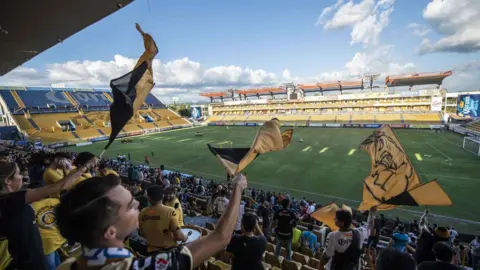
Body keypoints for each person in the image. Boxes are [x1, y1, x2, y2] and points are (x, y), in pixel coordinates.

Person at [56, 173, 247, 269]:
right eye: (130, 205)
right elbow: (221, 237)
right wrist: (237, 188)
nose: (138, 203)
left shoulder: (68, 264)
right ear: (110, 232)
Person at [0, 159, 96, 270]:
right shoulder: (10, 201)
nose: (22, 177)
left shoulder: (8, 202)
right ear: (7, 180)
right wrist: (85, 165)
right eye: (18, 174)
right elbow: (60, 186)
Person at [139, 186, 187, 252]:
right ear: (162, 196)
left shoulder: (143, 212)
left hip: (151, 250)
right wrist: (185, 237)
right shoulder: (170, 211)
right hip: (169, 250)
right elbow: (178, 236)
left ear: (149, 198)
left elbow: (141, 233)